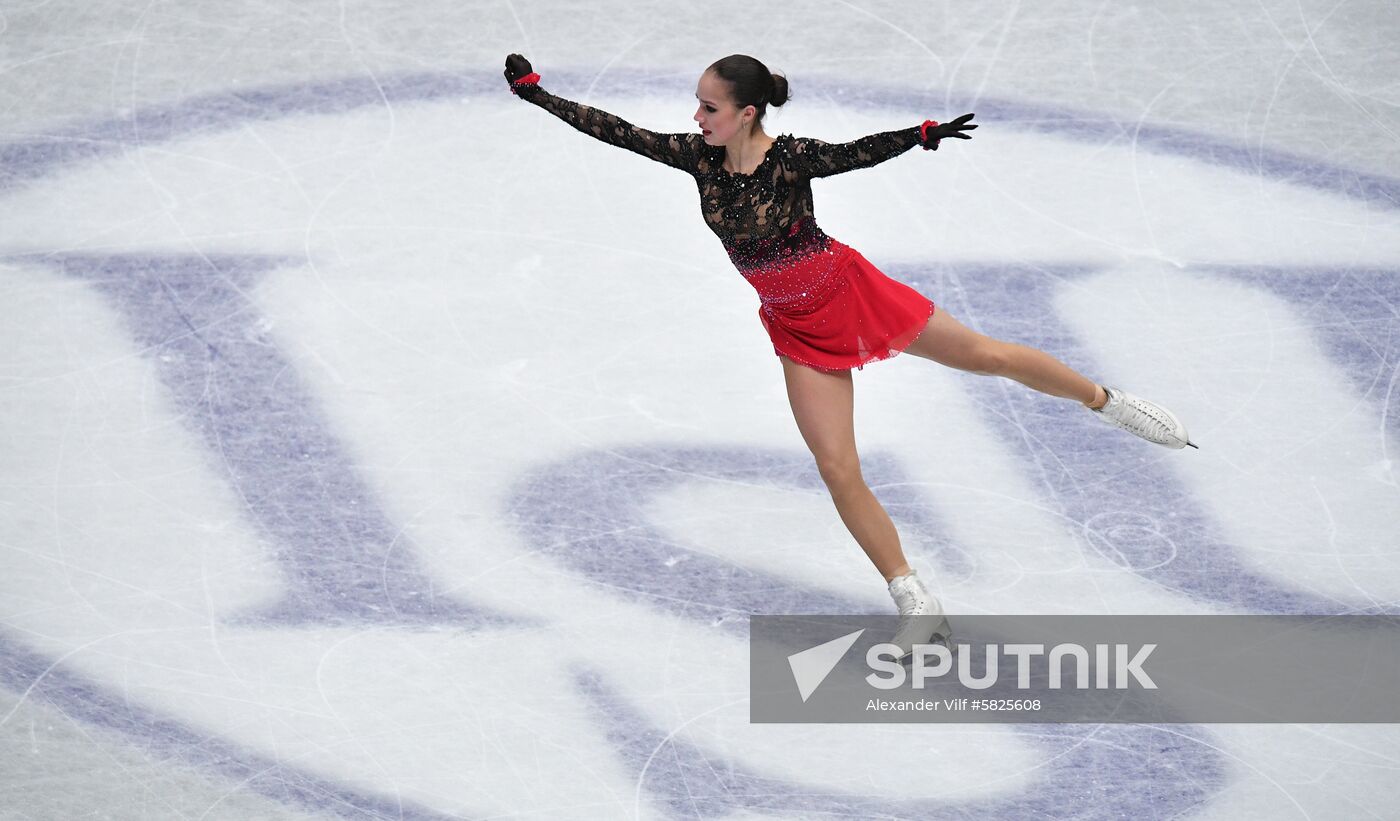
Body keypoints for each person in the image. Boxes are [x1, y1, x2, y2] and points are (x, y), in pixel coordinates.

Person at [503, 53, 1196, 661]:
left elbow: (856, 152)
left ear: (747, 113)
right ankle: (916, 600)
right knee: (837, 467)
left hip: (849, 291)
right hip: (796, 326)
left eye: (709, 107)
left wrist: (918, 135)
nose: (696, 116)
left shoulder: (790, 157)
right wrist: (538, 94)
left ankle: (1110, 403)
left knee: (986, 356)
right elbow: (617, 131)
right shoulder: (697, 155)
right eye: (698, 105)